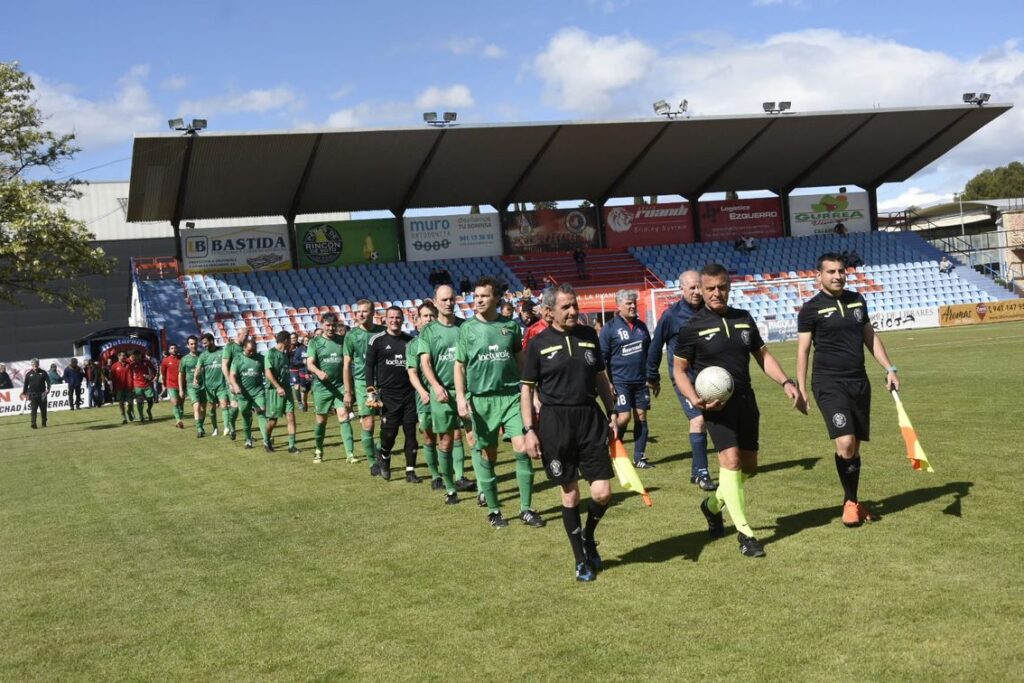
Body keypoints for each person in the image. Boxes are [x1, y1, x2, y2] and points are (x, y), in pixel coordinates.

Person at [673, 263, 805, 559]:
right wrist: (695, 399)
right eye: (710, 289)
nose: (716, 293)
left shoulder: (744, 319)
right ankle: (746, 535)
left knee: (749, 468)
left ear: (729, 287)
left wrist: (785, 382)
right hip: (716, 407)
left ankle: (711, 506)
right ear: (702, 291)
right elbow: (679, 370)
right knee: (730, 463)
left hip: (746, 401)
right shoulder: (691, 328)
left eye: (721, 287)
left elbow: (763, 355)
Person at [521, 284, 618, 581]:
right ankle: (580, 559)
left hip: (590, 418)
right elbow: (527, 390)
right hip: (555, 423)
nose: (574, 311)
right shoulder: (537, 344)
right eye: (566, 307)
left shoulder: (589, 336)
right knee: (571, 493)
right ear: (549, 312)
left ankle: (588, 536)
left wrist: (612, 411)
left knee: (602, 493)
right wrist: (529, 430)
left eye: (574, 305)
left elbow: (601, 378)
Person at [796, 252, 899, 527]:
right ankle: (851, 504)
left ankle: (851, 501)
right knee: (844, 443)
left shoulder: (857, 300)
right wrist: (802, 389)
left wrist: (889, 369)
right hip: (828, 383)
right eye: (831, 272)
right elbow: (803, 351)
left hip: (858, 382)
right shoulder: (810, 308)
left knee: (854, 446)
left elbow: (870, 337)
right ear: (818, 276)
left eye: (841, 271)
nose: (838, 276)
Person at [455, 276, 544, 529]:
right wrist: (461, 397)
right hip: (482, 401)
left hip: (511, 397)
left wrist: (533, 393)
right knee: (488, 455)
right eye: (476, 295)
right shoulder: (467, 328)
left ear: (496, 298)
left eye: (484, 296)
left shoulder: (511, 327)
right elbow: (459, 366)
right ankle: (494, 510)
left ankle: (526, 509)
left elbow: (521, 362)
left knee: (523, 449)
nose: (478, 300)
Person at [647, 270, 716, 491]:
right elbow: (655, 347)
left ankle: (696, 471)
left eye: (699, 287)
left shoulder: (709, 312)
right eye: (692, 288)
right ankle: (704, 474)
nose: (697, 292)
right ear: (682, 290)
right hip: (683, 377)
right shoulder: (671, 316)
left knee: (709, 419)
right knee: (698, 420)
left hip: (707, 377)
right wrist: (652, 377)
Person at [418, 285, 478, 504]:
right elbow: (425, 362)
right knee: (445, 441)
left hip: (467, 392)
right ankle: (451, 488)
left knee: (474, 438)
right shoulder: (428, 331)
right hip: (441, 393)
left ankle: (482, 487)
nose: (448, 303)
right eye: (443, 300)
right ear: (435, 302)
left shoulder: (466, 326)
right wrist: (435, 386)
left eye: (451, 299)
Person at [599, 289, 653, 469]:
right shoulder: (610, 328)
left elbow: (648, 353)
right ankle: (614, 450)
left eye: (634, 303)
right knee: (623, 418)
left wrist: (653, 377)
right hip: (620, 381)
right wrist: (608, 383)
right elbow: (602, 359)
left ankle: (639, 458)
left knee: (641, 416)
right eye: (628, 303)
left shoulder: (641, 326)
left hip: (640, 381)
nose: (632, 306)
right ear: (618, 306)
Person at [366, 306, 420, 482]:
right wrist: (370, 389)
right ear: (386, 319)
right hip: (388, 396)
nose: (394, 320)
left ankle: (410, 471)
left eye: (398, 317)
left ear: (402, 319)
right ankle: (384, 457)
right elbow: (369, 366)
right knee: (389, 435)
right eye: (391, 317)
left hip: (409, 394)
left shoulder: (410, 341)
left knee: (410, 433)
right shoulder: (377, 340)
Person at [343, 299, 386, 471]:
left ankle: (379, 449)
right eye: (358, 311)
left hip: (384, 382)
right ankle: (372, 462)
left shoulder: (383, 332)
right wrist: (348, 391)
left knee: (388, 422)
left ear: (373, 312)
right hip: (363, 384)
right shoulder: (351, 335)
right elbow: (346, 364)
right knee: (368, 423)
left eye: (365, 311)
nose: (361, 314)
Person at [307, 312, 352, 464]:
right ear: (322, 325)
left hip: (340, 386)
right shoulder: (315, 342)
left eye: (333, 325)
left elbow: (348, 364)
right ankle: (318, 449)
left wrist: (348, 388)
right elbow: (309, 363)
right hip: (322, 388)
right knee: (321, 421)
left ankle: (350, 454)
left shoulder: (342, 341)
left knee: (344, 417)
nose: (330, 328)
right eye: (327, 325)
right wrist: (319, 372)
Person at [407, 302, 442, 488]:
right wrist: (422, 392)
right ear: (418, 320)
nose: (429, 319)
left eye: (431, 315)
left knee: (451, 436)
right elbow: (412, 372)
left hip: (445, 395)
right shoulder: (413, 345)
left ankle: (457, 476)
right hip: (425, 398)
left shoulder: (444, 338)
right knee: (429, 437)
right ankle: (436, 476)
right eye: (425, 316)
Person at [264, 330, 301, 453]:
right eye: (290, 339)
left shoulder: (285, 354)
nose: (291, 342)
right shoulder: (271, 353)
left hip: (287, 390)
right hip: (274, 391)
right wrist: (278, 387)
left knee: (291, 416)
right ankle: (267, 440)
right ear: (285, 340)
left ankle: (291, 445)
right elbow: (268, 372)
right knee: (273, 420)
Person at [230, 339, 268, 450]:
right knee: (246, 416)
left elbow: (267, 373)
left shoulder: (260, 358)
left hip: (258, 392)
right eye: (249, 351)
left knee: (261, 412)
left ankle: (266, 440)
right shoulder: (237, 359)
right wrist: (235, 386)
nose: (252, 353)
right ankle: (248, 440)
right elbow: (232, 375)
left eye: (254, 350)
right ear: (244, 348)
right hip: (243, 394)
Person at [195, 333, 229, 437]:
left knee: (223, 404)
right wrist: (195, 378)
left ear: (211, 341)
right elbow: (198, 368)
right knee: (211, 408)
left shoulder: (222, 352)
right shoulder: (203, 355)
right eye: (203, 344)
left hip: (221, 385)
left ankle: (227, 427)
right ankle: (215, 428)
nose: (204, 345)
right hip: (209, 387)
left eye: (205, 343)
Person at [221, 328, 250, 439]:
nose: (248, 337)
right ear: (239, 334)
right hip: (232, 382)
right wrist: (230, 382)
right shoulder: (230, 347)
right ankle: (231, 425)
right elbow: (224, 365)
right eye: (246, 335)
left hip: (245, 381)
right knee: (234, 405)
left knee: (245, 408)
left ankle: (248, 434)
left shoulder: (245, 347)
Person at [178, 336, 206, 437]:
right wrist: (181, 389)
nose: (193, 346)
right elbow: (181, 375)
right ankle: (199, 429)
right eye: (191, 344)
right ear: (188, 345)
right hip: (191, 387)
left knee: (203, 409)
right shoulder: (184, 359)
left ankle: (201, 426)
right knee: (196, 406)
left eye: (195, 343)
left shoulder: (203, 356)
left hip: (204, 386)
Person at [159, 343, 184, 429]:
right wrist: (164, 384)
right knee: (175, 403)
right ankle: (178, 420)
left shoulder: (182, 359)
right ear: (169, 350)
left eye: (175, 348)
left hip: (182, 385)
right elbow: (163, 373)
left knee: (181, 404)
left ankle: (179, 418)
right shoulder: (165, 360)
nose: (174, 350)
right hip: (171, 384)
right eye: (172, 348)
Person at [21, 359, 50, 428]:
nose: (35, 365)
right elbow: (25, 384)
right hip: (33, 394)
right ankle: (33, 423)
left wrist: (48, 389)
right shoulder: (28, 374)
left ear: (38, 364)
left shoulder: (43, 372)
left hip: (43, 394)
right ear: (32, 365)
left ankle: (44, 423)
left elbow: (48, 381)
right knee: (33, 409)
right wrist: (24, 393)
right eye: (33, 364)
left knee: (43, 410)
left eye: (36, 364)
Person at [129, 349, 156, 422]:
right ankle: (141, 417)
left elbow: (154, 370)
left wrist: (151, 377)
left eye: (137, 355)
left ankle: (148, 410)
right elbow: (130, 376)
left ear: (140, 355)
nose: (136, 357)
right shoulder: (132, 364)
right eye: (134, 355)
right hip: (137, 385)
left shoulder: (146, 361)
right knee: (139, 402)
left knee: (150, 399)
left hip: (147, 384)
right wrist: (131, 386)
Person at [110, 351, 135, 424]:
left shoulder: (130, 365)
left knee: (130, 403)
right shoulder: (114, 366)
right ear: (118, 356)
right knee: (121, 403)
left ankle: (129, 411)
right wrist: (112, 389)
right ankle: (124, 417)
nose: (124, 357)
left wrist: (133, 386)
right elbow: (112, 379)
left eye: (125, 355)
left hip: (129, 387)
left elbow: (133, 375)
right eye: (122, 355)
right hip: (119, 388)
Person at [289, 332, 310, 411]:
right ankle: (300, 402)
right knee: (297, 386)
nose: (293, 339)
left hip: (301, 368)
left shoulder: (301, 346)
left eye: (295, 337)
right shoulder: (288, 347)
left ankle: (304, 402)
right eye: (292, 338)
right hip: (293, 369)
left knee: (303, 387)